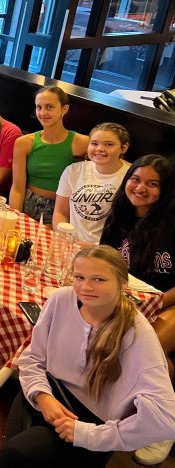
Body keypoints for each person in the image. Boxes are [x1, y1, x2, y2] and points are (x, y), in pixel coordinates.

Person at [0, 245, 175, 468]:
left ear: (123, 284)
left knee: (15, 455)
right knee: (13, 452)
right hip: (43, 395)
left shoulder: (137, 334)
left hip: (88, 426)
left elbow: (165, 419)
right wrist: (43, 397)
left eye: (99, 280)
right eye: (79, 277)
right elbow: (31, 358)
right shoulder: (60, 300)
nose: (86, 287)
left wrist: (87, 434)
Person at [100, 155, 175, 465]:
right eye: (136, 179)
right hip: (131, 299)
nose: (140, 188)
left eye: (152, 183)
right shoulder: (120, 215)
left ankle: (162, 429)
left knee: (148, 351)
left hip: (168, 301)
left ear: (166, 189)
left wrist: (155, 303)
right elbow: (106, 260)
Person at [10, 87, 89, 221]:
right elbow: (17, 188)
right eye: (38, 107)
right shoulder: (23, 143)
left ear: (64, 109)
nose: (43, 113)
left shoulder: (82, 142)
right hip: (29, 204)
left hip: (62, 209)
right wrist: (15, 217)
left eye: (49, 107)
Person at [53, 122, 130, 243]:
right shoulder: (73, 170)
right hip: (71, 243)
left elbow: (128, 226)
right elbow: (60, 213)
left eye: (109, 144)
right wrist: (65, 239)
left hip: (105, 250)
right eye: (94, 143)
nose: (99, 149)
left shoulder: (130, 178)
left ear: (123, 148)